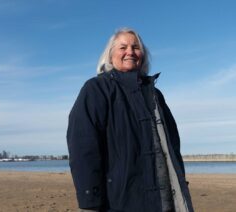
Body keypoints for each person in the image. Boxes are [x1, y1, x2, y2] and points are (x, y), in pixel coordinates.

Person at [67, 28, 194, 212]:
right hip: (120, 200)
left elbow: (173, 146)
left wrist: (181, 184)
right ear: (110, 56)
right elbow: (82, 148)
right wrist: (90, 201)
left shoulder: (155, 94)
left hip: (165, 200)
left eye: (136, 47)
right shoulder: (96, 89)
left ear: (143, 55)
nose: (130, 52)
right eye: (122, 47)